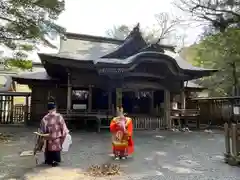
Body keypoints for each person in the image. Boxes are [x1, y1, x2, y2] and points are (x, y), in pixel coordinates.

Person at [40, 101, 69, 167]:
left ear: (48, 109)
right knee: (56, 150)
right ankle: (55, 161)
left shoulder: (45, 118)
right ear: (54, 108)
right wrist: (64, 133)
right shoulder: (59, 116)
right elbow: (63, 126)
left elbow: (42, 129)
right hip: (57, 137)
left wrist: (44, 135)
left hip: (48, 137)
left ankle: (48, 160)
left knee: (48, 149)